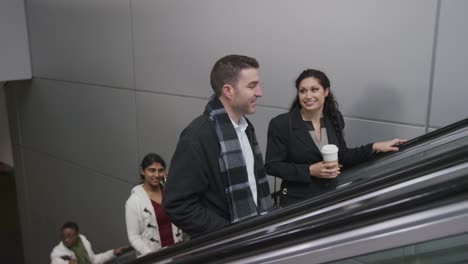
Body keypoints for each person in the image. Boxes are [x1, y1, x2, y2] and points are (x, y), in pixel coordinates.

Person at [163, 54, 273, 238]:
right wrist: (228, 233)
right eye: (252, 86)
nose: (260, 92)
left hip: (253, 239)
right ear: (228, 91)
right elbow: (177, 205)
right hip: (224, 247)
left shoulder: (246, 129)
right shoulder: (196, 137)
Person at [265, 69, 406, 207]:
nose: (308, 96)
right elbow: (272, 166)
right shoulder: (281, 124)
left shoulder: (334, 118)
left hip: (330, 198)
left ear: (325, 92)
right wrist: (309, 170)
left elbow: (343, 155)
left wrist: (375, 146)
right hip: (297, 203)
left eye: (314, 89)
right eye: (303, 91)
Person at [125, 153, 183, 257]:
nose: (156, 175)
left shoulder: (171, 193)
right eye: (152, 170)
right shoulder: (133, 201)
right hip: (153, 258)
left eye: (160, 170)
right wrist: (152, 255)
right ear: (142, 171)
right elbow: (134, 237)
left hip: (178, 253)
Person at [50, 221, 126, 264]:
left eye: (70, 236)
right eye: (63, 236)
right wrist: (68, 263)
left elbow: (93, 260)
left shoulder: (83, 241)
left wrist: (113, 253)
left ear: (77, 234)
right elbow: (55, 261)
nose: (66, 239)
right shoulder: (58, 251)